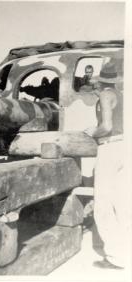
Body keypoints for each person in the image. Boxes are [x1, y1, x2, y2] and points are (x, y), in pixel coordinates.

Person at [84, 61, 127, 269]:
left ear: (100, 82)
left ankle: (115, 257)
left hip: (109, 148)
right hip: (125, 147)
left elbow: (107, 127)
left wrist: (92, 132)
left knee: (103, 204)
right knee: (122, 203)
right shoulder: (122, 95)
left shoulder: (105, 95)